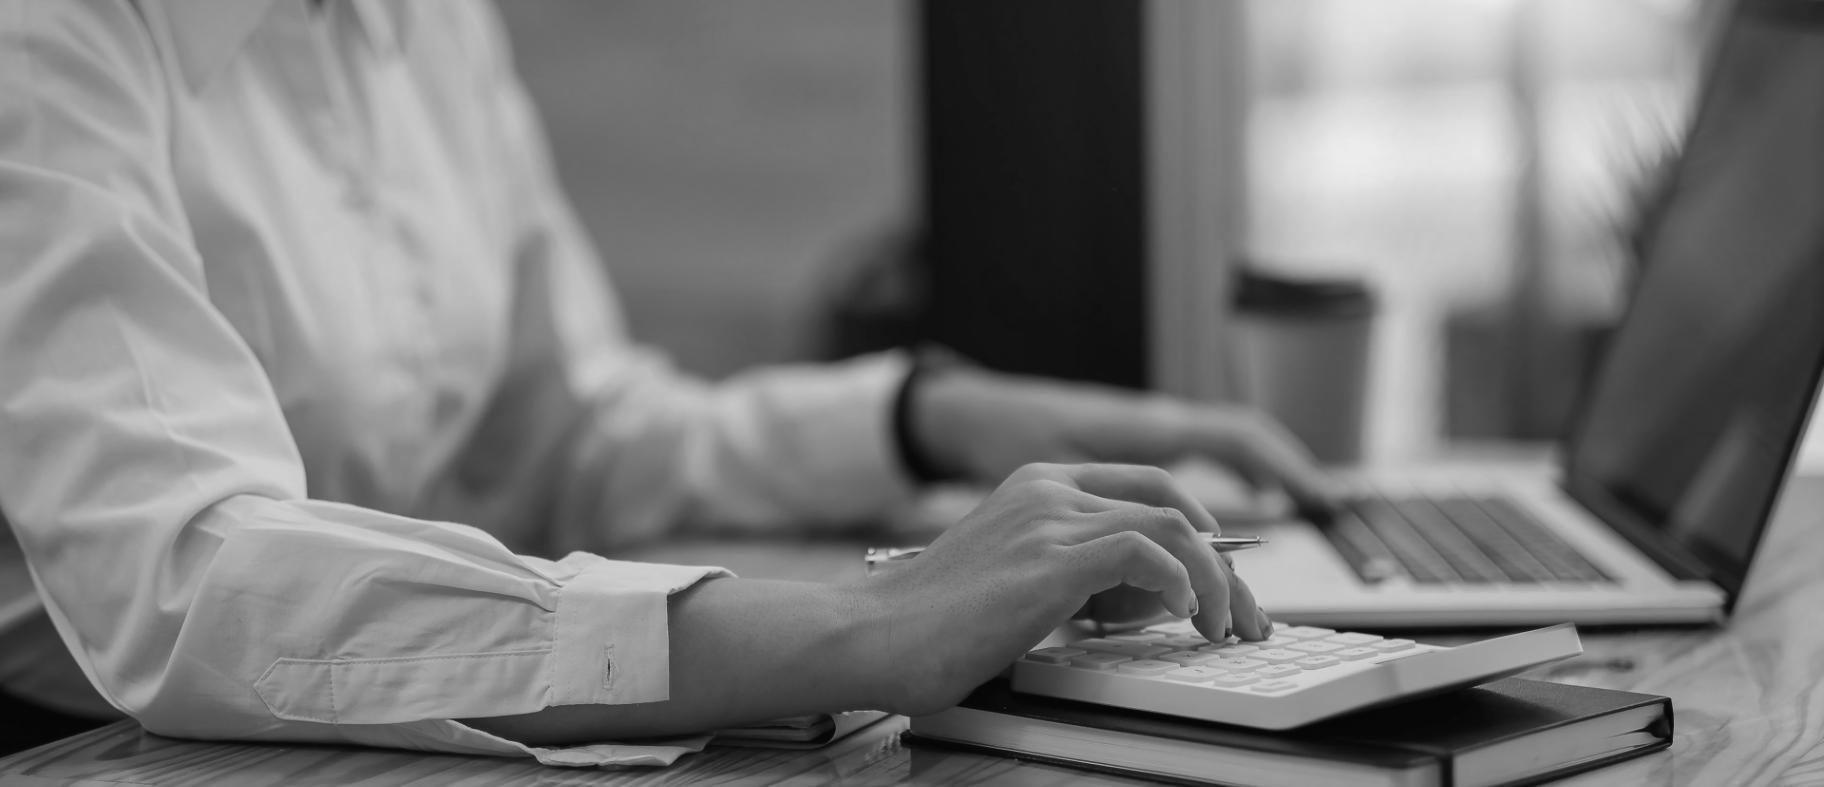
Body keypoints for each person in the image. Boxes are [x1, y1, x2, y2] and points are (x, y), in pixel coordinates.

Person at [0, 0, 1333, 763]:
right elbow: (193, 588)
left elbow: (570, 432)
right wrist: (852, 630)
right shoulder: (46, 42)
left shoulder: (421, 24)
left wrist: (922, 416)